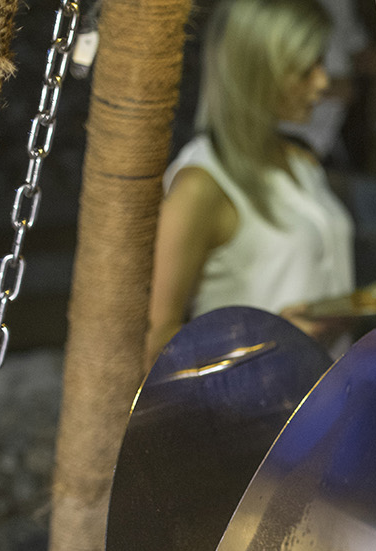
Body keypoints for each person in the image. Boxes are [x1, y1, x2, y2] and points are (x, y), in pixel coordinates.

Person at [147, 0, 354, 364]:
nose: (323, 82)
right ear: (258, 70)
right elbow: (155, 343)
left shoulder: (299, 160)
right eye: (307, 68)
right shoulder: (201, 186)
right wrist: (262, 339)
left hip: (330, 400)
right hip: (254, 414)